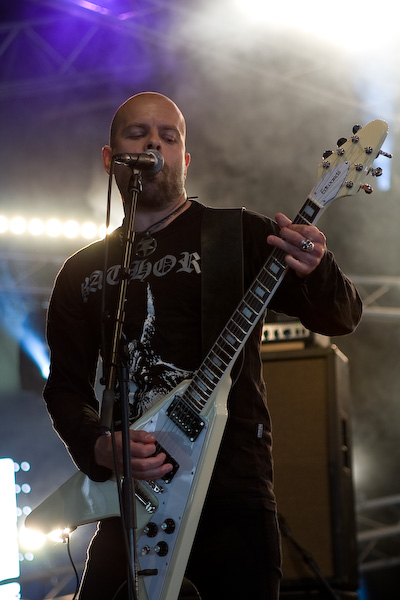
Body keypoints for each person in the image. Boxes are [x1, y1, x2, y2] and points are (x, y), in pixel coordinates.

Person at [43, 91, 362, 600]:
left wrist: (318, 269)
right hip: (131, 501)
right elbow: (64, 386)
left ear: (185, 159)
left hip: (231, 494)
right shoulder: (81, 272)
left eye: (168, 137)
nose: (154, 144)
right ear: (110, 159)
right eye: (137, 133)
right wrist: (98, 444)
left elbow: (341, 317)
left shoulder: (237, 234)